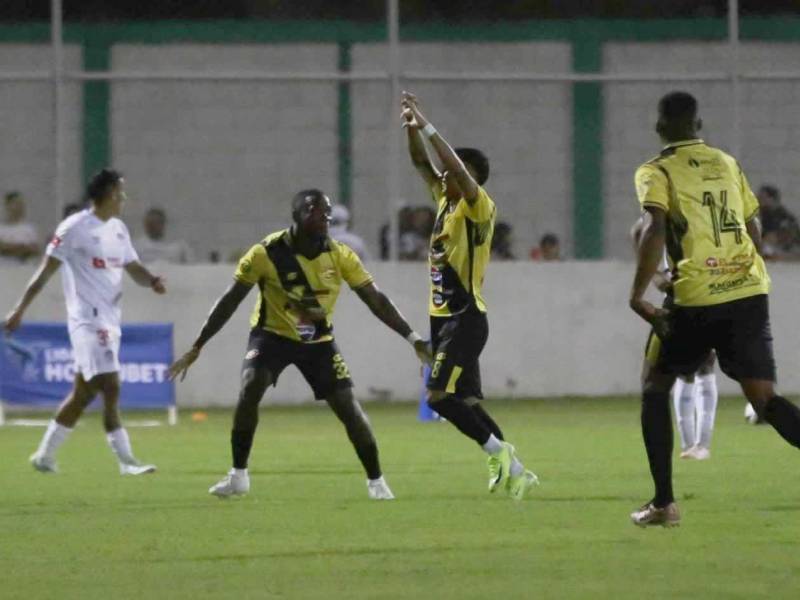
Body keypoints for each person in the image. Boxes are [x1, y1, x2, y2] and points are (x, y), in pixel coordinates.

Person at [168, 189, 431, 500]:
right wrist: (199, 344)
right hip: (271, 335)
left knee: (348, 407)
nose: (324, 221)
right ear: (298, 215)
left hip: (318, 341)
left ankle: (376, 481)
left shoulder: (340, 255)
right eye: (316, 214)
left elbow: (376, 300)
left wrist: (412, 337)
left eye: (327, 215)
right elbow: (230, 300)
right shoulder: (266, 253)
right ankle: (238, 475)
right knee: (251, 385)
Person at [629, 91, 800, 527]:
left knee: (654, 387)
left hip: (697, 296)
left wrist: (639, 293)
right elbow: (752, 227)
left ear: (659, 126)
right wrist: (744, 271)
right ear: (698, 123)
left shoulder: (656, 170)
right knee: (764, 399)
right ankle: (663, 502)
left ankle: (664, 503)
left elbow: (652, 228)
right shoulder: (727, 163)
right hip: (747, 290)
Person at [401, 90, 538, 501]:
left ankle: (500, 453)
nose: (445, 178)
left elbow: (450, 166)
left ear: (471, 178)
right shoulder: (446, 201)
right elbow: (421, 162)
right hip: (443, 319)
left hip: (466, 317)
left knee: (438, 398)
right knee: (469, 403)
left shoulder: (480, 208)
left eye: (455, 174)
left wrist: (427, 124)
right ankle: (516, 472)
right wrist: (411, 129)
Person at [2, 169, 166, 475]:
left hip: (110, 320)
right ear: (106, 194)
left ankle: (44, 455)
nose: (124, 199)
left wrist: (152, 280)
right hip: (87, 320)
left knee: (83, 393)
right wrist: (19, 308)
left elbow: (133, 268)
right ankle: (126, 461)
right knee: (111, 385)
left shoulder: (118, 229)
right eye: (120, 192)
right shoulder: (73, 228)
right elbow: (45, 271)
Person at [631, 219, 719, 461]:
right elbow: (638, 232)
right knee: (688, 369)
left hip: (703, 293)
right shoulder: (674, 208)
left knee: (702, 365)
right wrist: (658, 277)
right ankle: (694, 444)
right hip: (685, 296)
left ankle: (699, 444)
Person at [0, 191, 40, 265]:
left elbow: (35, 250)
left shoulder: (29, 229)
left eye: (21, 204)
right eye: (15, 203)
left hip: (24, 270)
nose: (19, 207)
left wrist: (9, 248)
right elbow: (1, 248)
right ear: (7, 205)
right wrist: (22, 248)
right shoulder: (1, 229)